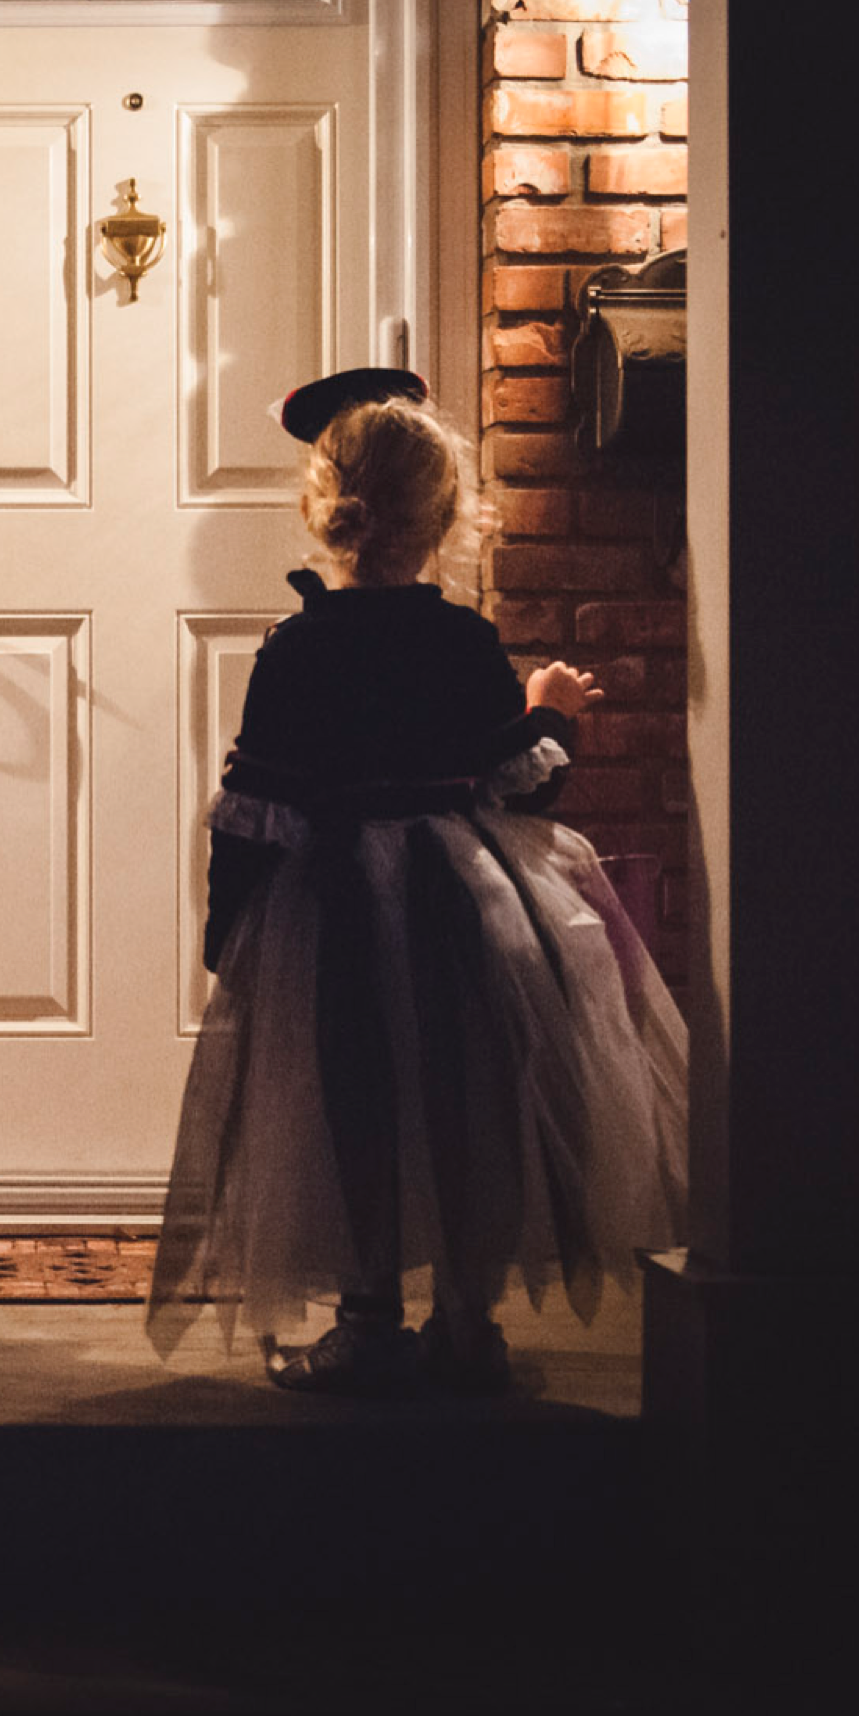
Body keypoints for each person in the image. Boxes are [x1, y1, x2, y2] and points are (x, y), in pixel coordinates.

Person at [148, 369, 687, 1395]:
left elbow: (257, 814)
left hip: (341, 912)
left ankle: (367, 1318)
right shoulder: (465, 639)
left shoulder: (297, 651)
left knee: (358, 1102)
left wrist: (233, 936)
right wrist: (551, 708)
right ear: (447, 517)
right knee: (464, 1099)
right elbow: (525, 785)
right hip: (466, 908)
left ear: (325, 509)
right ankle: (469, 1321)